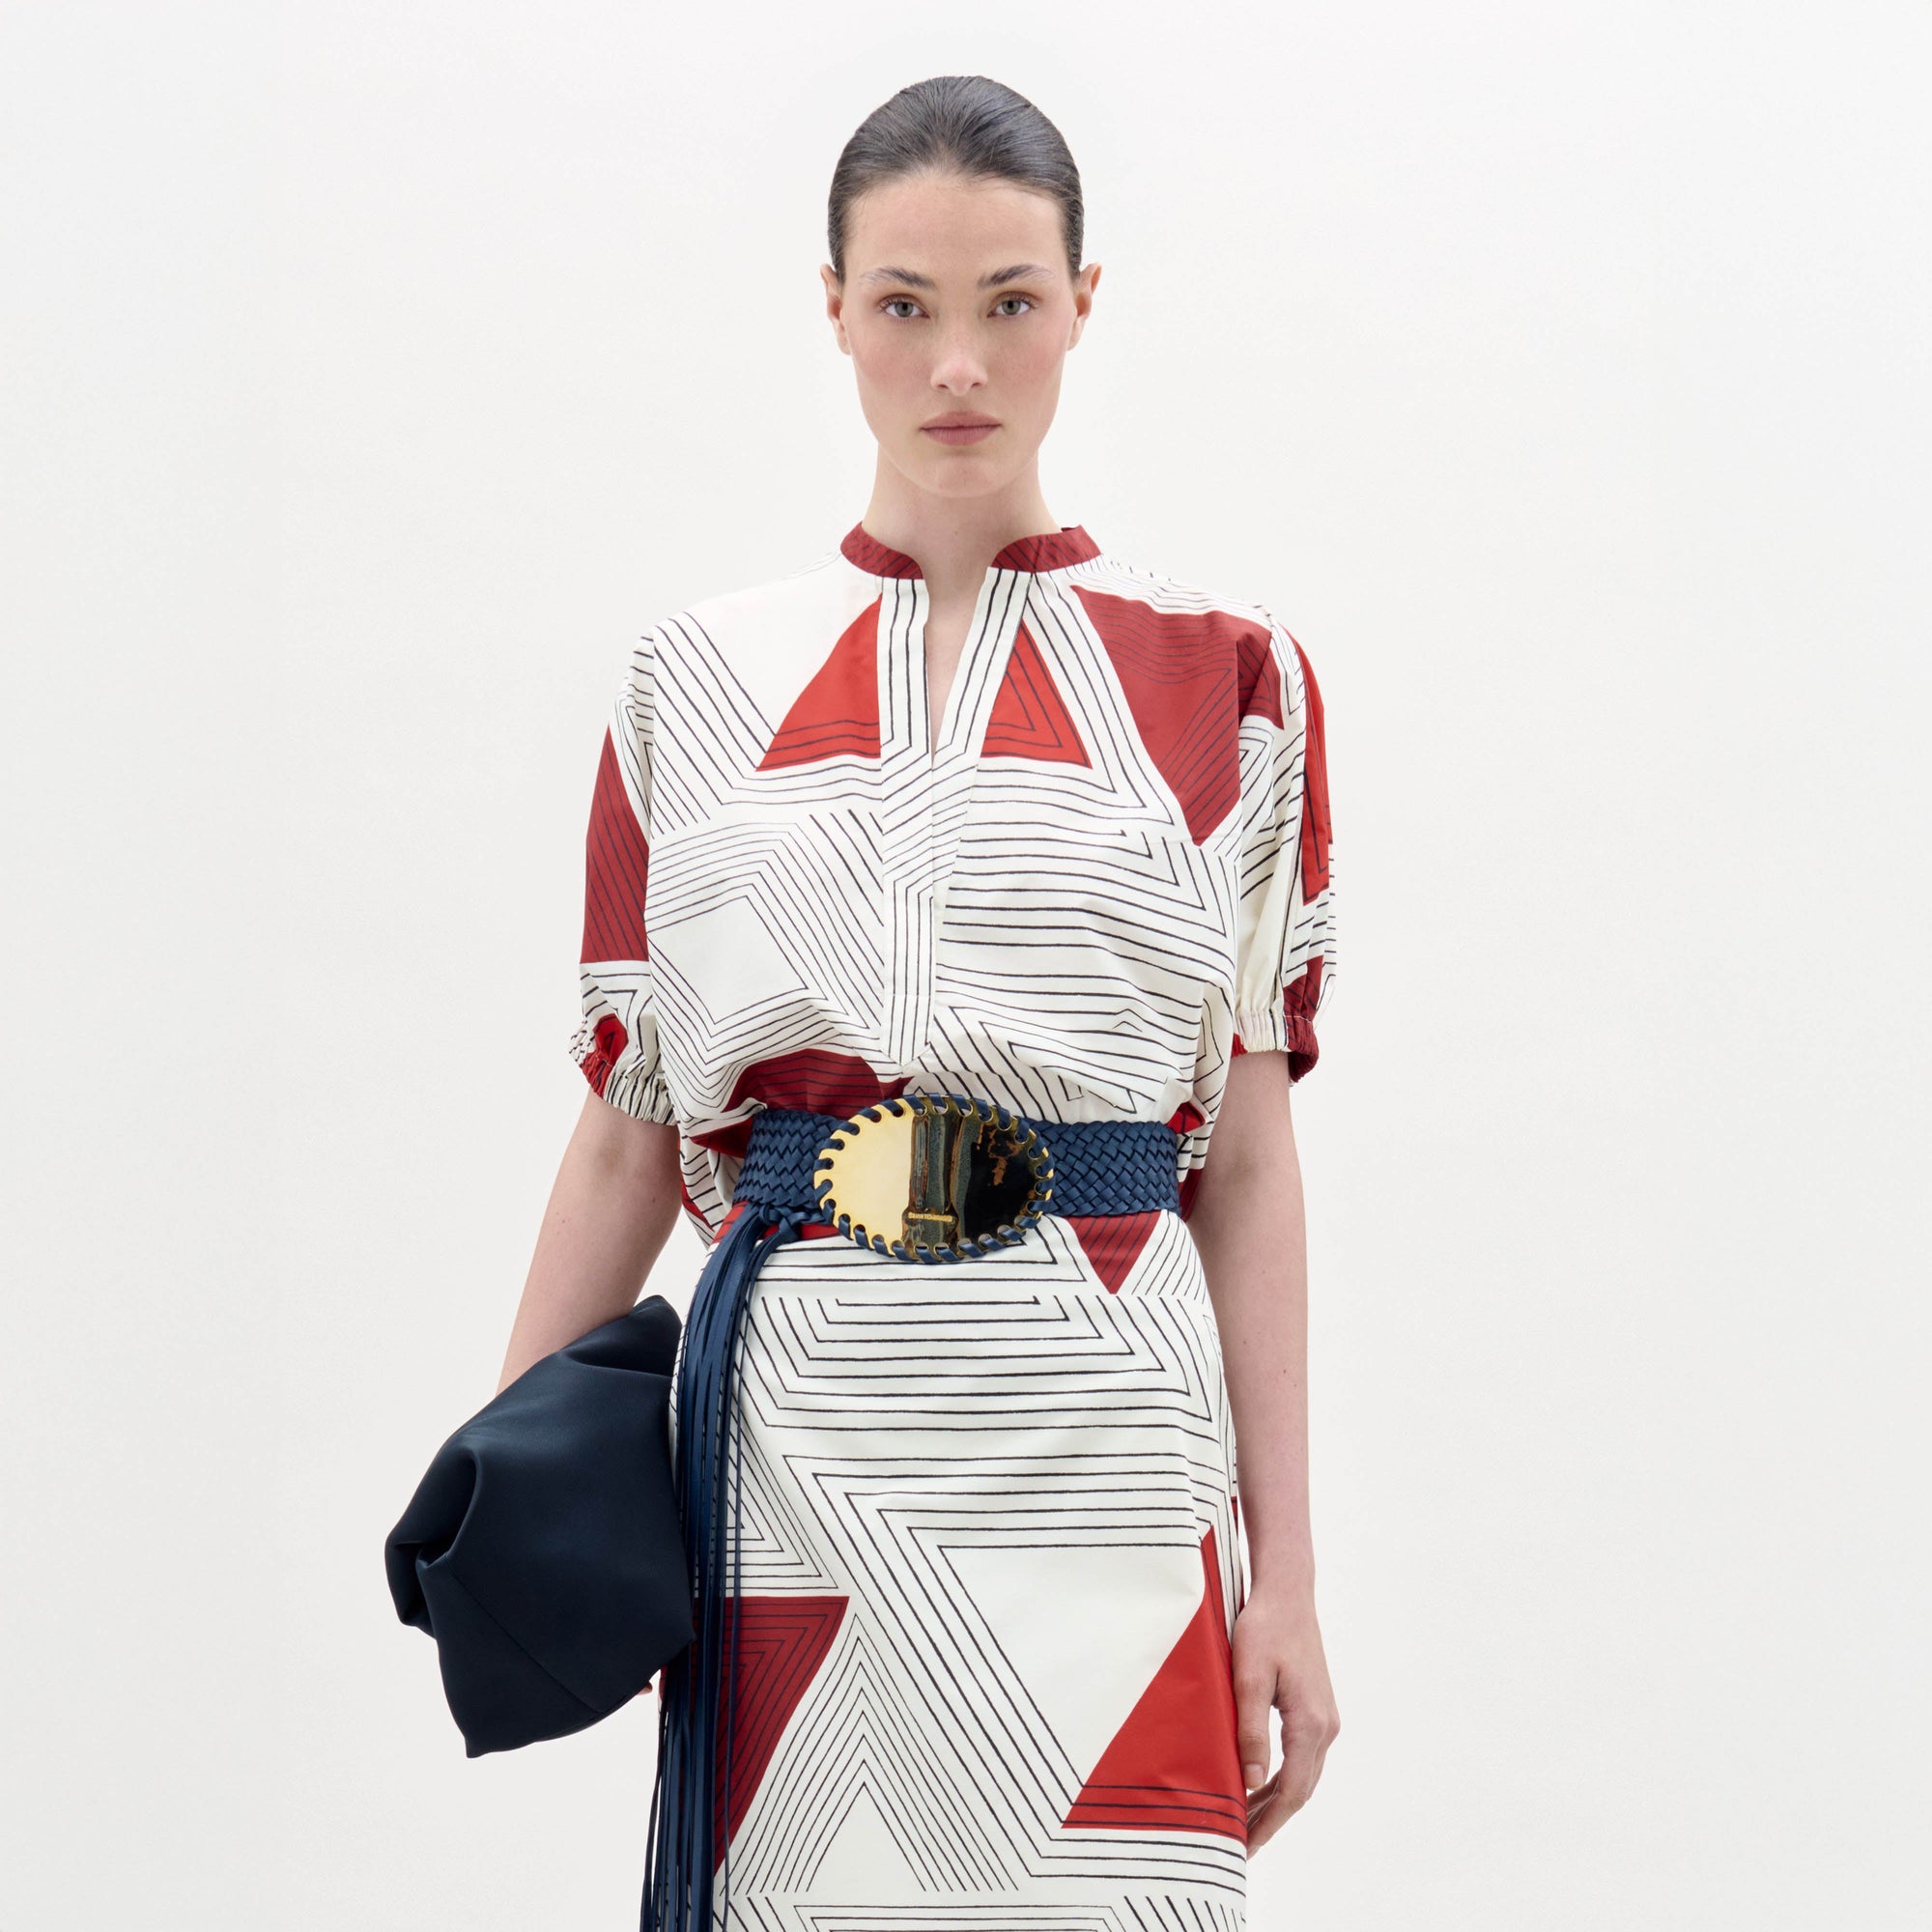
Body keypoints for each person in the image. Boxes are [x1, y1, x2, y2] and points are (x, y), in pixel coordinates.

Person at [495, 72, 1340, 1932]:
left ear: (1083, 302)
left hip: (1108, 1450)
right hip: (799, 1457)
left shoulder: (1232, 682)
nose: (959, 363)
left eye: (1009, 301)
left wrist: (1284, 1576)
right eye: (905, 303)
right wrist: (509, 1479)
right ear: (834, 308)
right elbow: (629, 1131)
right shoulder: (692, 683)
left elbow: (1250, 1161)